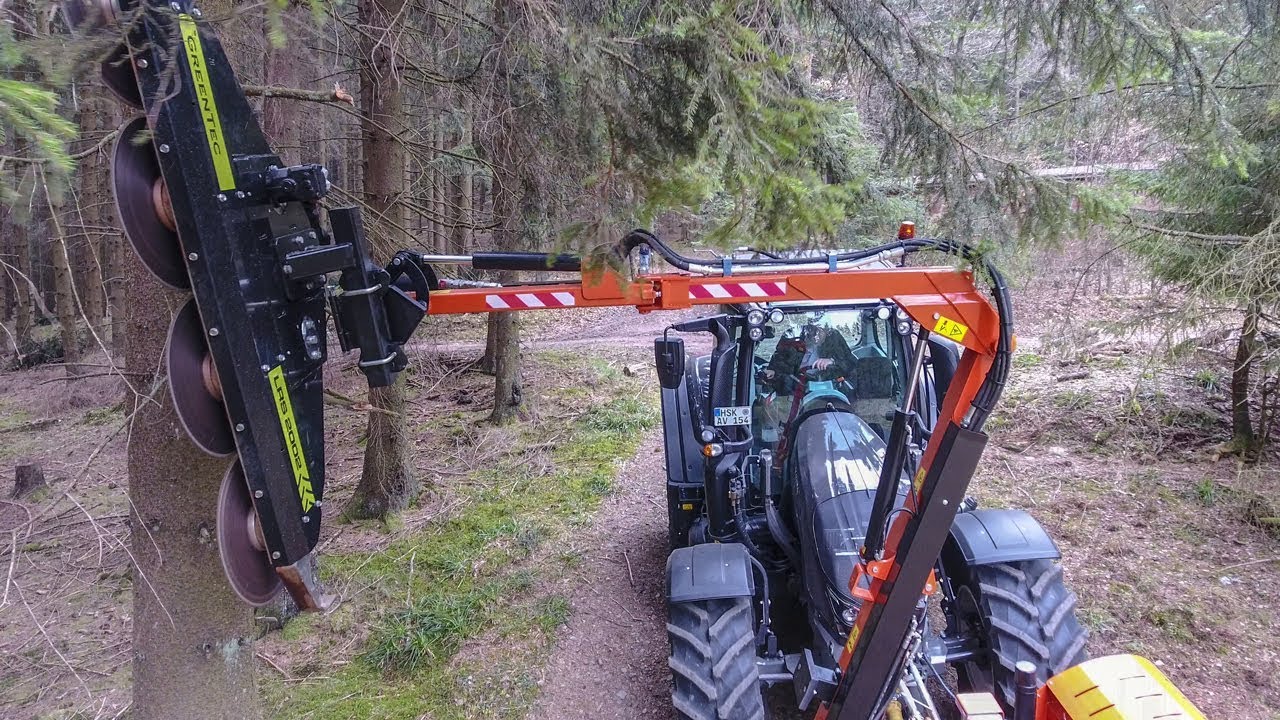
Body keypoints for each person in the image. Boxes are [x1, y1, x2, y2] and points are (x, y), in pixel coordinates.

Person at [762, 318, 856, 395]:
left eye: (821, 330)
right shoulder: (791, 337)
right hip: (796, 390)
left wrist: (833, 361)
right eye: (813, 330)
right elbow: (777, 364)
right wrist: (773, 372)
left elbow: (851, 365)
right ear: (806, 327)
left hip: (831, 389)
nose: (816, 335)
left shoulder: (834, 338)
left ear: (827, 331)